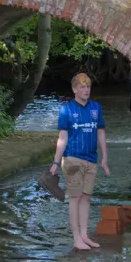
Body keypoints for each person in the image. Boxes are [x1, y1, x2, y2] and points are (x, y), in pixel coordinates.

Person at [51, 72, 110, 252]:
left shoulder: (96, 108)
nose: (86, 90)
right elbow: (62, 138)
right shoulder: (66, 110)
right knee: (75, 198)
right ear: (74, 89)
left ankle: (85, 235)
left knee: (86, 198)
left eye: (88, 87)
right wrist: (55, 162)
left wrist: (105, 157)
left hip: (91, 159)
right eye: (82, 87)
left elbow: (100, 132)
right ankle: (76, 238)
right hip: (72, 159)